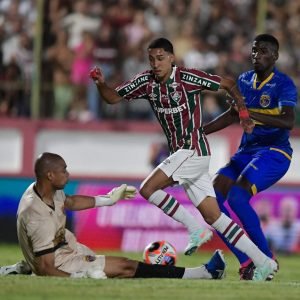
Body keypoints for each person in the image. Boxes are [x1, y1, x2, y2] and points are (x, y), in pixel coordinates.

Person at [89, 37, 277, 281]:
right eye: (151, 59)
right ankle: (265, 263)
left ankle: (195, 229)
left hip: (192, 149)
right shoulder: (146, 82)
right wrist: (101, 84)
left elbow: (229, 83)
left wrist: (242, 112)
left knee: (148, 188)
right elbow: (113, 97)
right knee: (215, 217)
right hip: (185, 155)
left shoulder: (187, 78)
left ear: (171, 58)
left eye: (160, 58)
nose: (155, 64)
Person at [2, 152, 226, 280]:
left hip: (67, 249)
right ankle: (204, 273)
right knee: (125, 267)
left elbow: (69, 202)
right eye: (64, 170)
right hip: (62, 262)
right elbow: (45, 267)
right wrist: (76, 278)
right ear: (50, 175)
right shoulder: (36, 214)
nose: (68, 174)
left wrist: (108, 199)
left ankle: (21, 268)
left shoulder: (44, 189)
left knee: (114, 266)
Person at [203, 34, 298, 280]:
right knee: (211, 200)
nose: (257, 54)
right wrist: (199, 133)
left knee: (237, 195)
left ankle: (267, 260)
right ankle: (246, 261)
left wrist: (249, 112)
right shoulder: (243, 80)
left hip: (274, 153)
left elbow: (288, 121)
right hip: (247, 152)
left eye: (263, 51)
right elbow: (233, 115)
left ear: (275, 56)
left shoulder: (284, 84)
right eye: (254, 50)